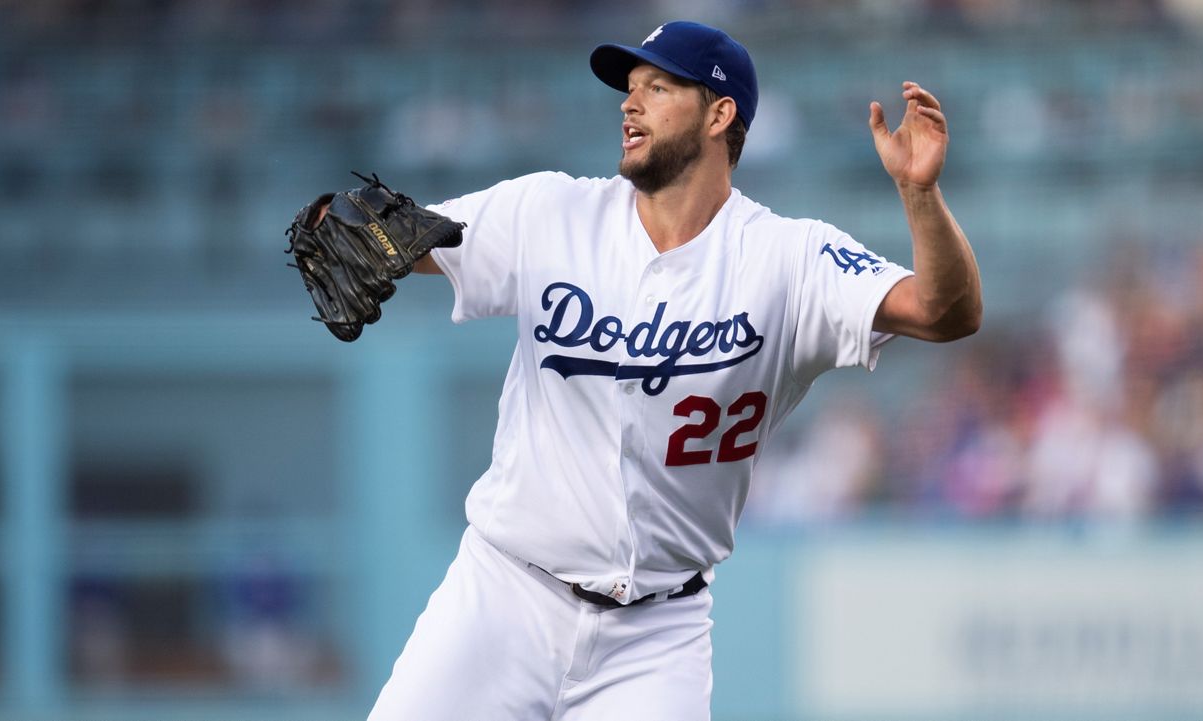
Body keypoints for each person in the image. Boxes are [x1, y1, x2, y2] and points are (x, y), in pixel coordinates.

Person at [367, 20, 981, 721]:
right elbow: (404, 236)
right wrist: (342, 222)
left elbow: (946, 312)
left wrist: (920, 196)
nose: (630, 105)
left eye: (658, 88)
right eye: (629, 90)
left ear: (721, 114)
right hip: (505, 597)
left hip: (656, 634)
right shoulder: (551, 212)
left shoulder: (787, 259)